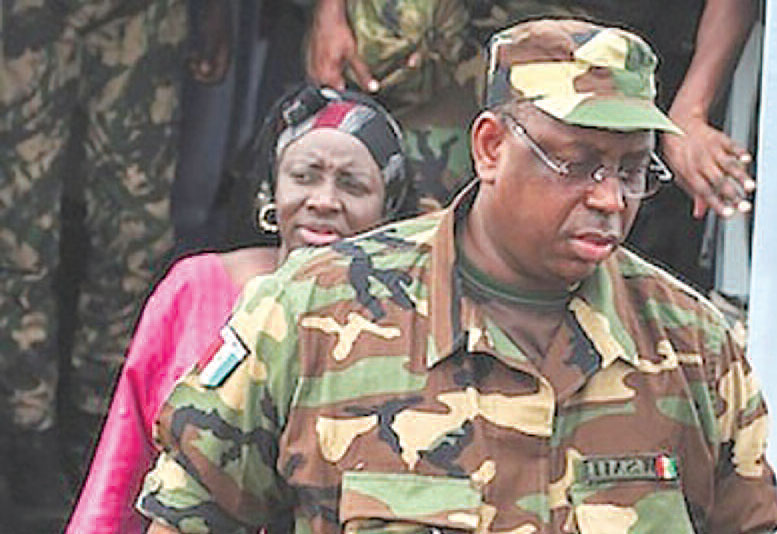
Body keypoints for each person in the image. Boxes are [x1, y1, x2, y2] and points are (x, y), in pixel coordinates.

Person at [138, 19, 777, 534]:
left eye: (632, 170)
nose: (610, 199)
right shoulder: (312, 313)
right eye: (577, 163)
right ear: (491, 147)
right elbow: (190, 513)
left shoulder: (692, 345)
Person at [65, 84, 415, 534]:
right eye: (304, 176)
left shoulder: (405, 322)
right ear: (271, 189)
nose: (324, 200)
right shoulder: (197, 287)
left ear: (387, 211)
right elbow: (123, 462)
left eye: (353, 185)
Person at [306, 0, 758, 287]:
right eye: (576, 164)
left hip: (601, 49)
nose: (610, 198)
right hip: (445, 45)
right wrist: (330, 11)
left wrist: (689, 112)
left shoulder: (686, 332)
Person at [0, 1, 188, 528]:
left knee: (137, 237)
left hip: (142, 16)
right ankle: (27, 434)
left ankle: (102, 427)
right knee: (19, 236)